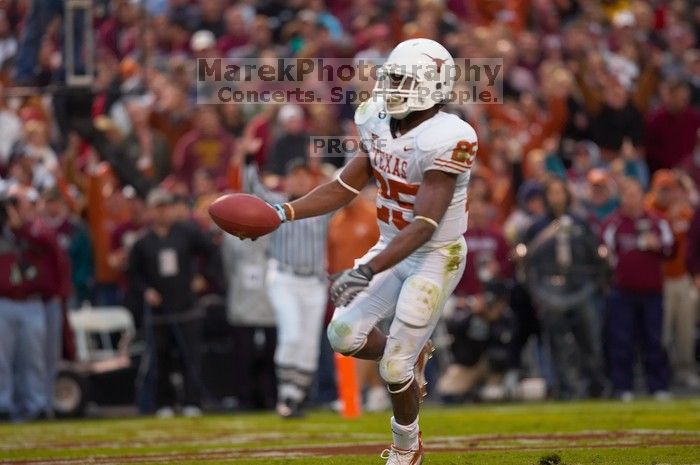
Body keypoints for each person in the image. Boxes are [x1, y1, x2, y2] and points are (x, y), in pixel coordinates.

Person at [238, 39, 476, 463]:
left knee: (393, 370)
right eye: (392, 78)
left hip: (436, 254)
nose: (393, 88)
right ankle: (410, 349)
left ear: (434, 86)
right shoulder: (376, 120)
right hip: (392, 245)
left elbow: (425, 224)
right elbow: (345, 186)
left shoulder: (449, 137)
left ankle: (406, 448)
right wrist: (282, 212)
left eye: (403, 80)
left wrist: (368, 270)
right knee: (342, 335)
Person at [242, 157, 330, 418]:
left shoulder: (321, 205)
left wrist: (355, 152)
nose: (300, 180)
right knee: (291, 334)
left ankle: (298, 396)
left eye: (305, 175)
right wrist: (249, 161)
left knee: (309, 344)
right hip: (284, 277)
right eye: (296, 175)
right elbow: (254, 192)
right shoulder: (278, 204)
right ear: (287, 179)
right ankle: (286, 395)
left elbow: (345, 190)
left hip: (314, 281)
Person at [127, 188, 219, 418]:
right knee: (161, 359)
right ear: (150, 211)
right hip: (160, 310)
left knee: (191, 358)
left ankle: (192, 402)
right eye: (157, 207)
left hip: (187, 306)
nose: (162, 212)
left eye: (165, 207)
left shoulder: (187, 233)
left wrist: (203, 277)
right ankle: (163, 403)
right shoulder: (143, 242)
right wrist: (146, 291)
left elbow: (212, 253)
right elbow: (133, 275)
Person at [524, 177, 607, 399]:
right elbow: (528, 262)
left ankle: (595, 387)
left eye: (560, 192)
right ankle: (566, 389)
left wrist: (594, 283)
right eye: (552, 193)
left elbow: (595, 256)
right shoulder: (537, 227)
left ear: (568, 196)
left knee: (589, 340)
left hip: (580, 288)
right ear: (546, 197)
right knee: (557, 343)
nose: (557, 197)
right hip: (551, 291)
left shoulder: (581, 223)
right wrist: (538, 293)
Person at [601, 178, 674, 401]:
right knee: (622, 341)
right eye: (626, 195)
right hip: (622, 291)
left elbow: (671, 249)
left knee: (653, 340)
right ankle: (623, 387)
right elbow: (603, 253)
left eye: (634, 194)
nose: (631, 199)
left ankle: (658, 386)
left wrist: (657, 245)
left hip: (652, 291)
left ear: (643, 197)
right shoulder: (613, 223)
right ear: (621, 198)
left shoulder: (657, 221)